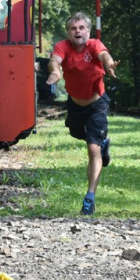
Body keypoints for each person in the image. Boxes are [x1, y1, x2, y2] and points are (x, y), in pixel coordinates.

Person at [46, 12, 118, 216]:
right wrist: (56, 71)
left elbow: (104, 55)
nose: (77, 31)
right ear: (68, 32)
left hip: (97, 104)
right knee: (77, 133)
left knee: (92, 149)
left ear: (88, 30)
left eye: (81, 28)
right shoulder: (64, 46)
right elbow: (54, 60)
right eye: (73, 28)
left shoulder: (94, 45)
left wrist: (109, 64)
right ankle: (103, 142)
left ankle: (90, 197)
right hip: (75, 104)